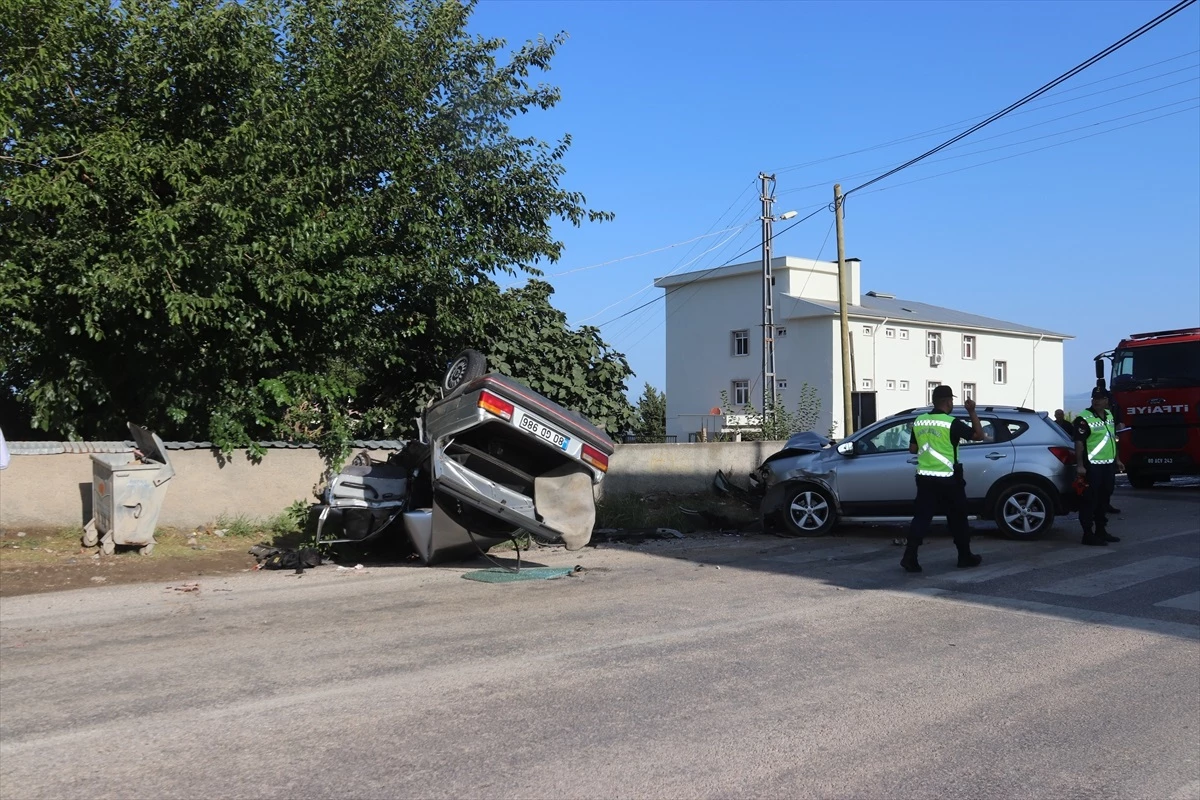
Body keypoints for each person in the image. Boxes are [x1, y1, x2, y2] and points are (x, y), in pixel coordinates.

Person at [901, 385, 986, 573]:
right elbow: (979, 435)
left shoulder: (920, 421)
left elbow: (913, 449)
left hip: (924, 477)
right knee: (958, 518)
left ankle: (910, 556)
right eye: (952, 401)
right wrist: (972, 411)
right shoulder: (951, 423)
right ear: (948, 402)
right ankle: (964, 556)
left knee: (921, 518)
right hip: (949, 479)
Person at [1074, 387, 1123, 546]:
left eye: (1100, 398)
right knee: (1090, 500)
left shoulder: (1109, 415)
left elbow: (1112, 439)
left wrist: (1117, 460)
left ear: (1107, 401)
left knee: (1104, 498)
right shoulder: (1083, 418)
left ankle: (1101, 530)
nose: (1097, 400)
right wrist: (1080, 465)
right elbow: (1079, 443)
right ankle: (1087, 534)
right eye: (1094, 398)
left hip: (1108, 465)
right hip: (1092, 466)